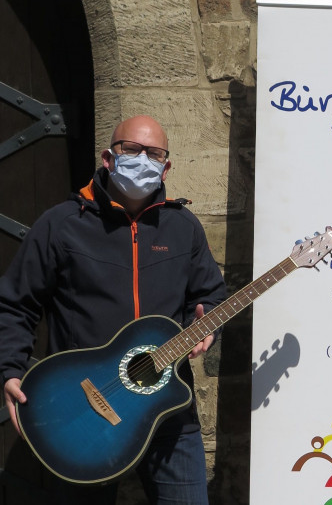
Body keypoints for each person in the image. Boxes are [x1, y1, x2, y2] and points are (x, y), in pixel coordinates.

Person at [0, 115, 227, 504]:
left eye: (153, 153)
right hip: (84, 411)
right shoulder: (61, 225)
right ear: (108, 157)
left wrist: (206, 328)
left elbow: (211, 297)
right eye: (131, 150)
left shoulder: (183, 227)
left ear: (166, 166)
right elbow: (15, 303)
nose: (143, 159)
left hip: (168, 410)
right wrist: (9, 370)